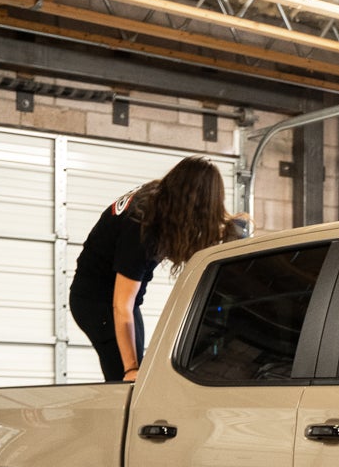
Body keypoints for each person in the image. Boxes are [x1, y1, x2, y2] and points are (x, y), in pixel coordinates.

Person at [68, 156, 241, 382]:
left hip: (119, 301)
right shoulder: (141, 228)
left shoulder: (160, 198)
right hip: (97, 303)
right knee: (128, 380)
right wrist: (130, 369)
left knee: (140, 371)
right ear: (194, 204)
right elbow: (122, 306)